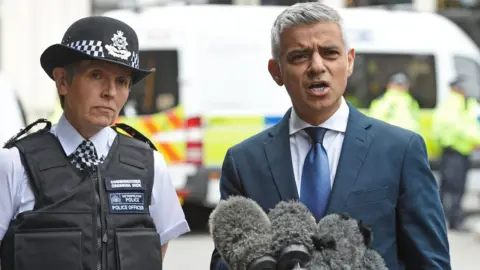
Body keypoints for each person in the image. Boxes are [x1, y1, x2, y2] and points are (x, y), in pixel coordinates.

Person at [210, 2, 450, 270]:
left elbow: (431, 262)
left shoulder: (401, 150)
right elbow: (224, 259)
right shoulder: (244, 161)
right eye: (299, 56)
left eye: (330, 53)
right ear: (276, 71)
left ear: (349, 61)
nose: (316, 66)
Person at [0, 16, 190, 270]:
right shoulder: (15, 163)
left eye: (122, 81)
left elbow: (158, 247)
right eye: (96, 75)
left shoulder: (150, 163)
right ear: (63, 81)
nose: (110, 91)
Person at [432, 76, 480, 231]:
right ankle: (453, 220)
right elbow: (459, 128)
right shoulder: (454, 104)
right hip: (455, 151)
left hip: (459, 151)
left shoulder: (463, 103)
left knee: (449, 187)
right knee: (454, 188)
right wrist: (475, 139)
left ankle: (443, 219)